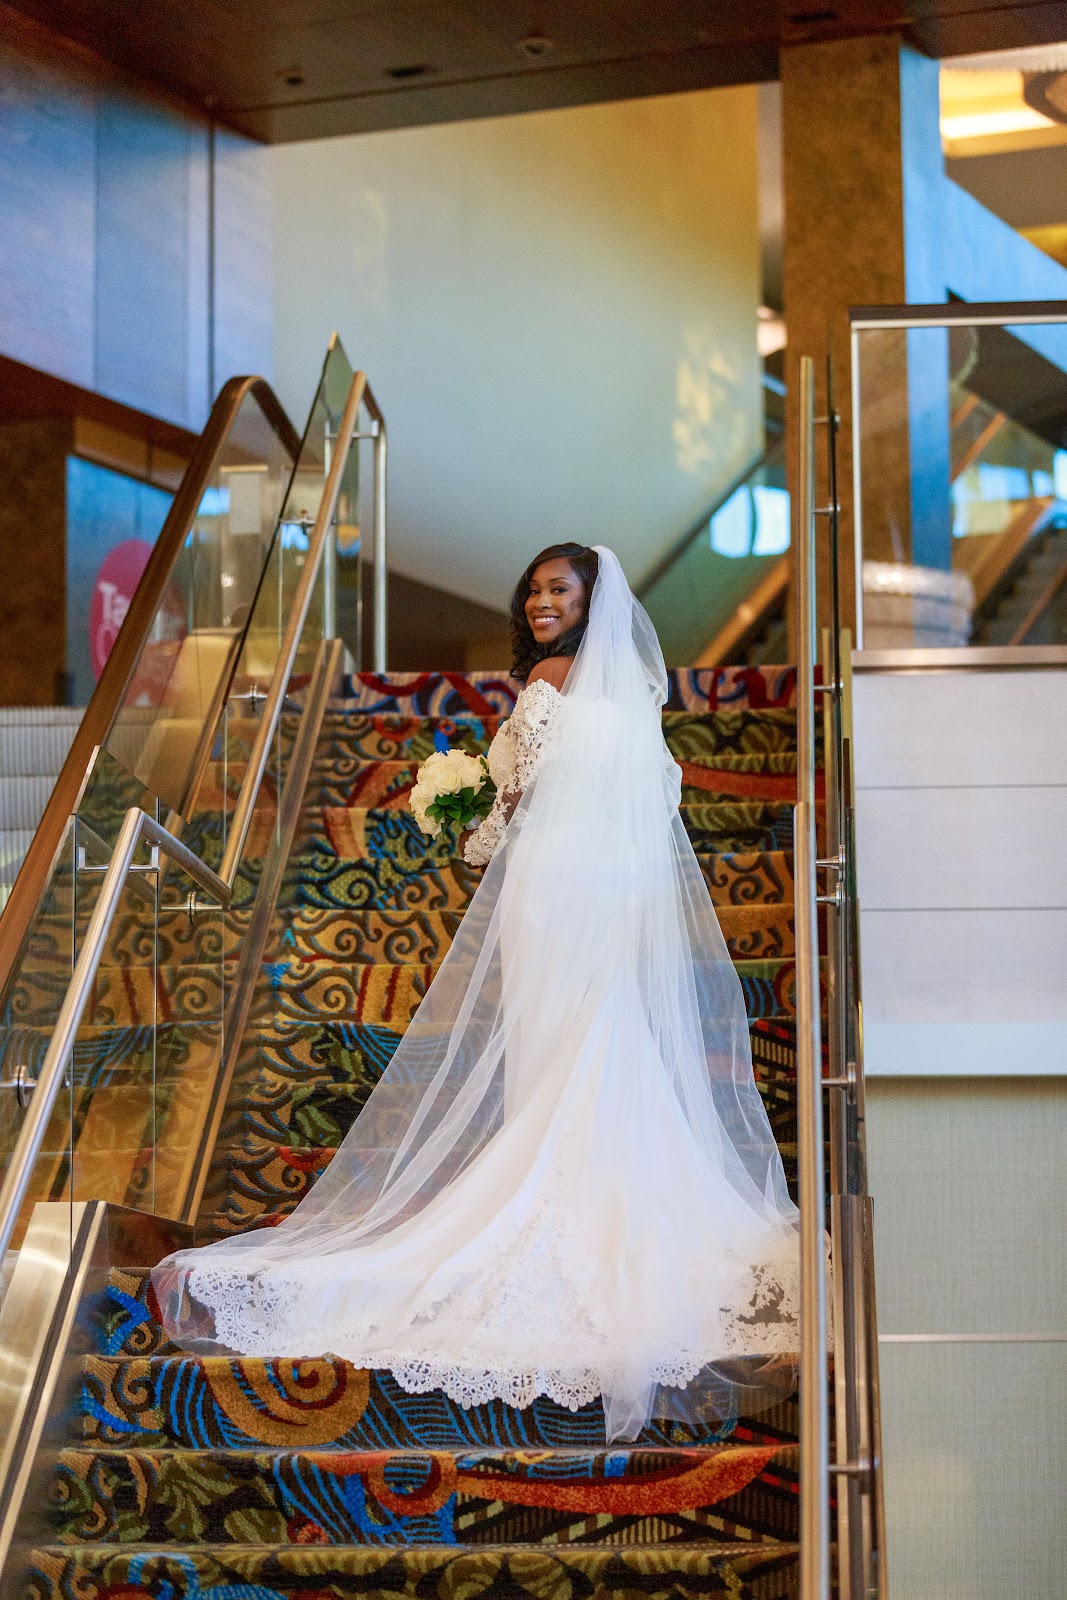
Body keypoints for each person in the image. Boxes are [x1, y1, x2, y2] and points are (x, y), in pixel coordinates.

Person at [152, 543, 800, 1442]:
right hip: (607, 887)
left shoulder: (549, 681)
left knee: (556, 1040)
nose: (539, 602)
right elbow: (655, 793)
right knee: (597, 1034)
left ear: (592, 601)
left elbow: (522, 791)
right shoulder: (630, 693)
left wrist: (472, 822)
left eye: (557, 589)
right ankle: (614, 1187)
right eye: (532, 589)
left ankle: (552, 1195)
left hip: (552, 882)